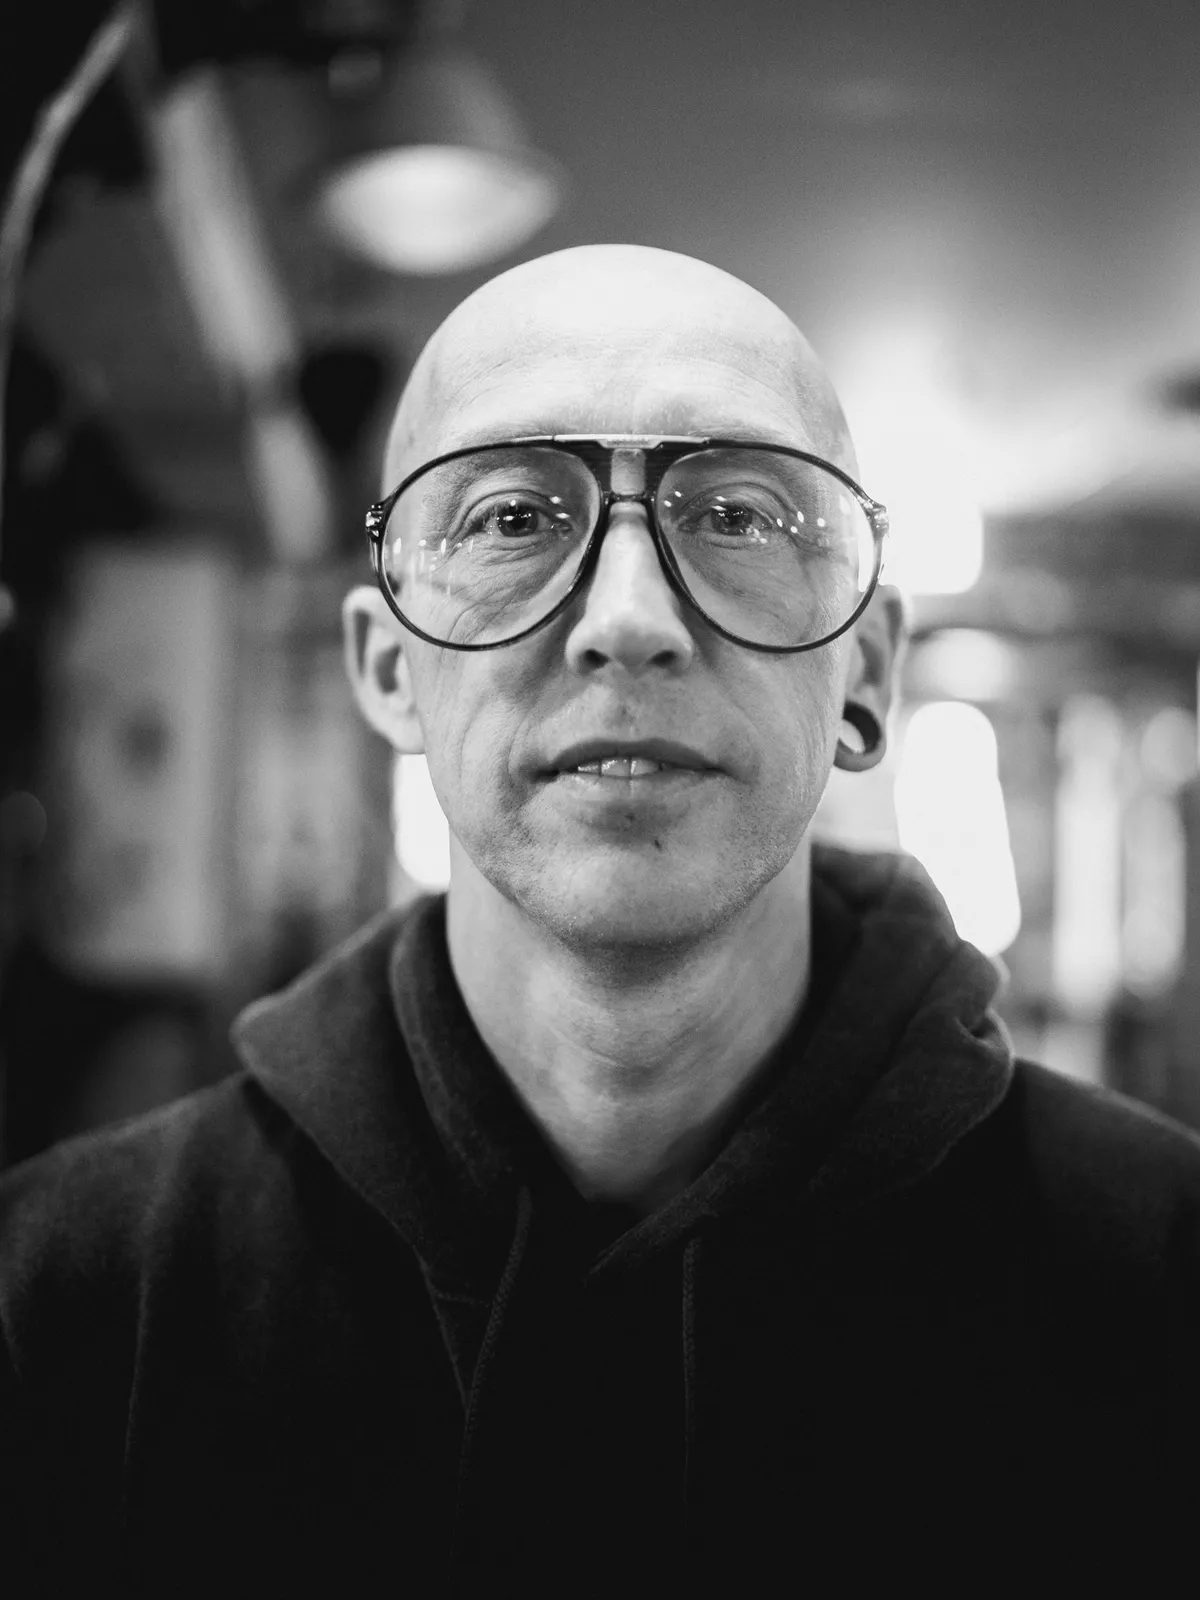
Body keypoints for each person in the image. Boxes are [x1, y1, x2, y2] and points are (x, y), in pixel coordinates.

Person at [2, 244, 1199, 1598]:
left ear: (865, 670)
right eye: (513, 517)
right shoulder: (62, 1301)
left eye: (738, 515)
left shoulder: (1161, 1274)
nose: (628, 620)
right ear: (389, 669)